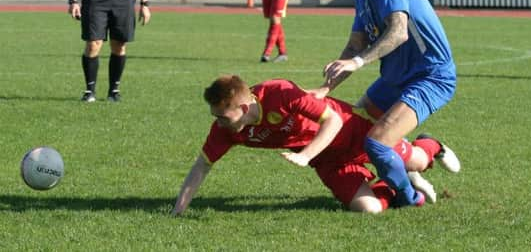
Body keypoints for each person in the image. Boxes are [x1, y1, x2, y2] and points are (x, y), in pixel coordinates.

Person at [314, 0, 457, 208]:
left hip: (430, 76)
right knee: (357, 134)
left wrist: (357, 62)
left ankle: (410, 198)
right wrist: (324, 90)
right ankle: (426, 150)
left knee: (377, 143)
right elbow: (356, 43)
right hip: (394, 77)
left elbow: (398, 31)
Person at [171, 75, 460, 216]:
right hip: (328, 161)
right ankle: (394, 187)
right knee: (368, 207)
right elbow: (201, 167)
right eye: (215, 116)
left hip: (355, 132)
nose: (218, 121)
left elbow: (332, 121)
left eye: (222, 115)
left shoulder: (279, 92)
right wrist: (178, 210)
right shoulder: (226, 130)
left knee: (417, 161)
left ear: (245, 106)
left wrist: (305, 155)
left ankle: (431, 144)